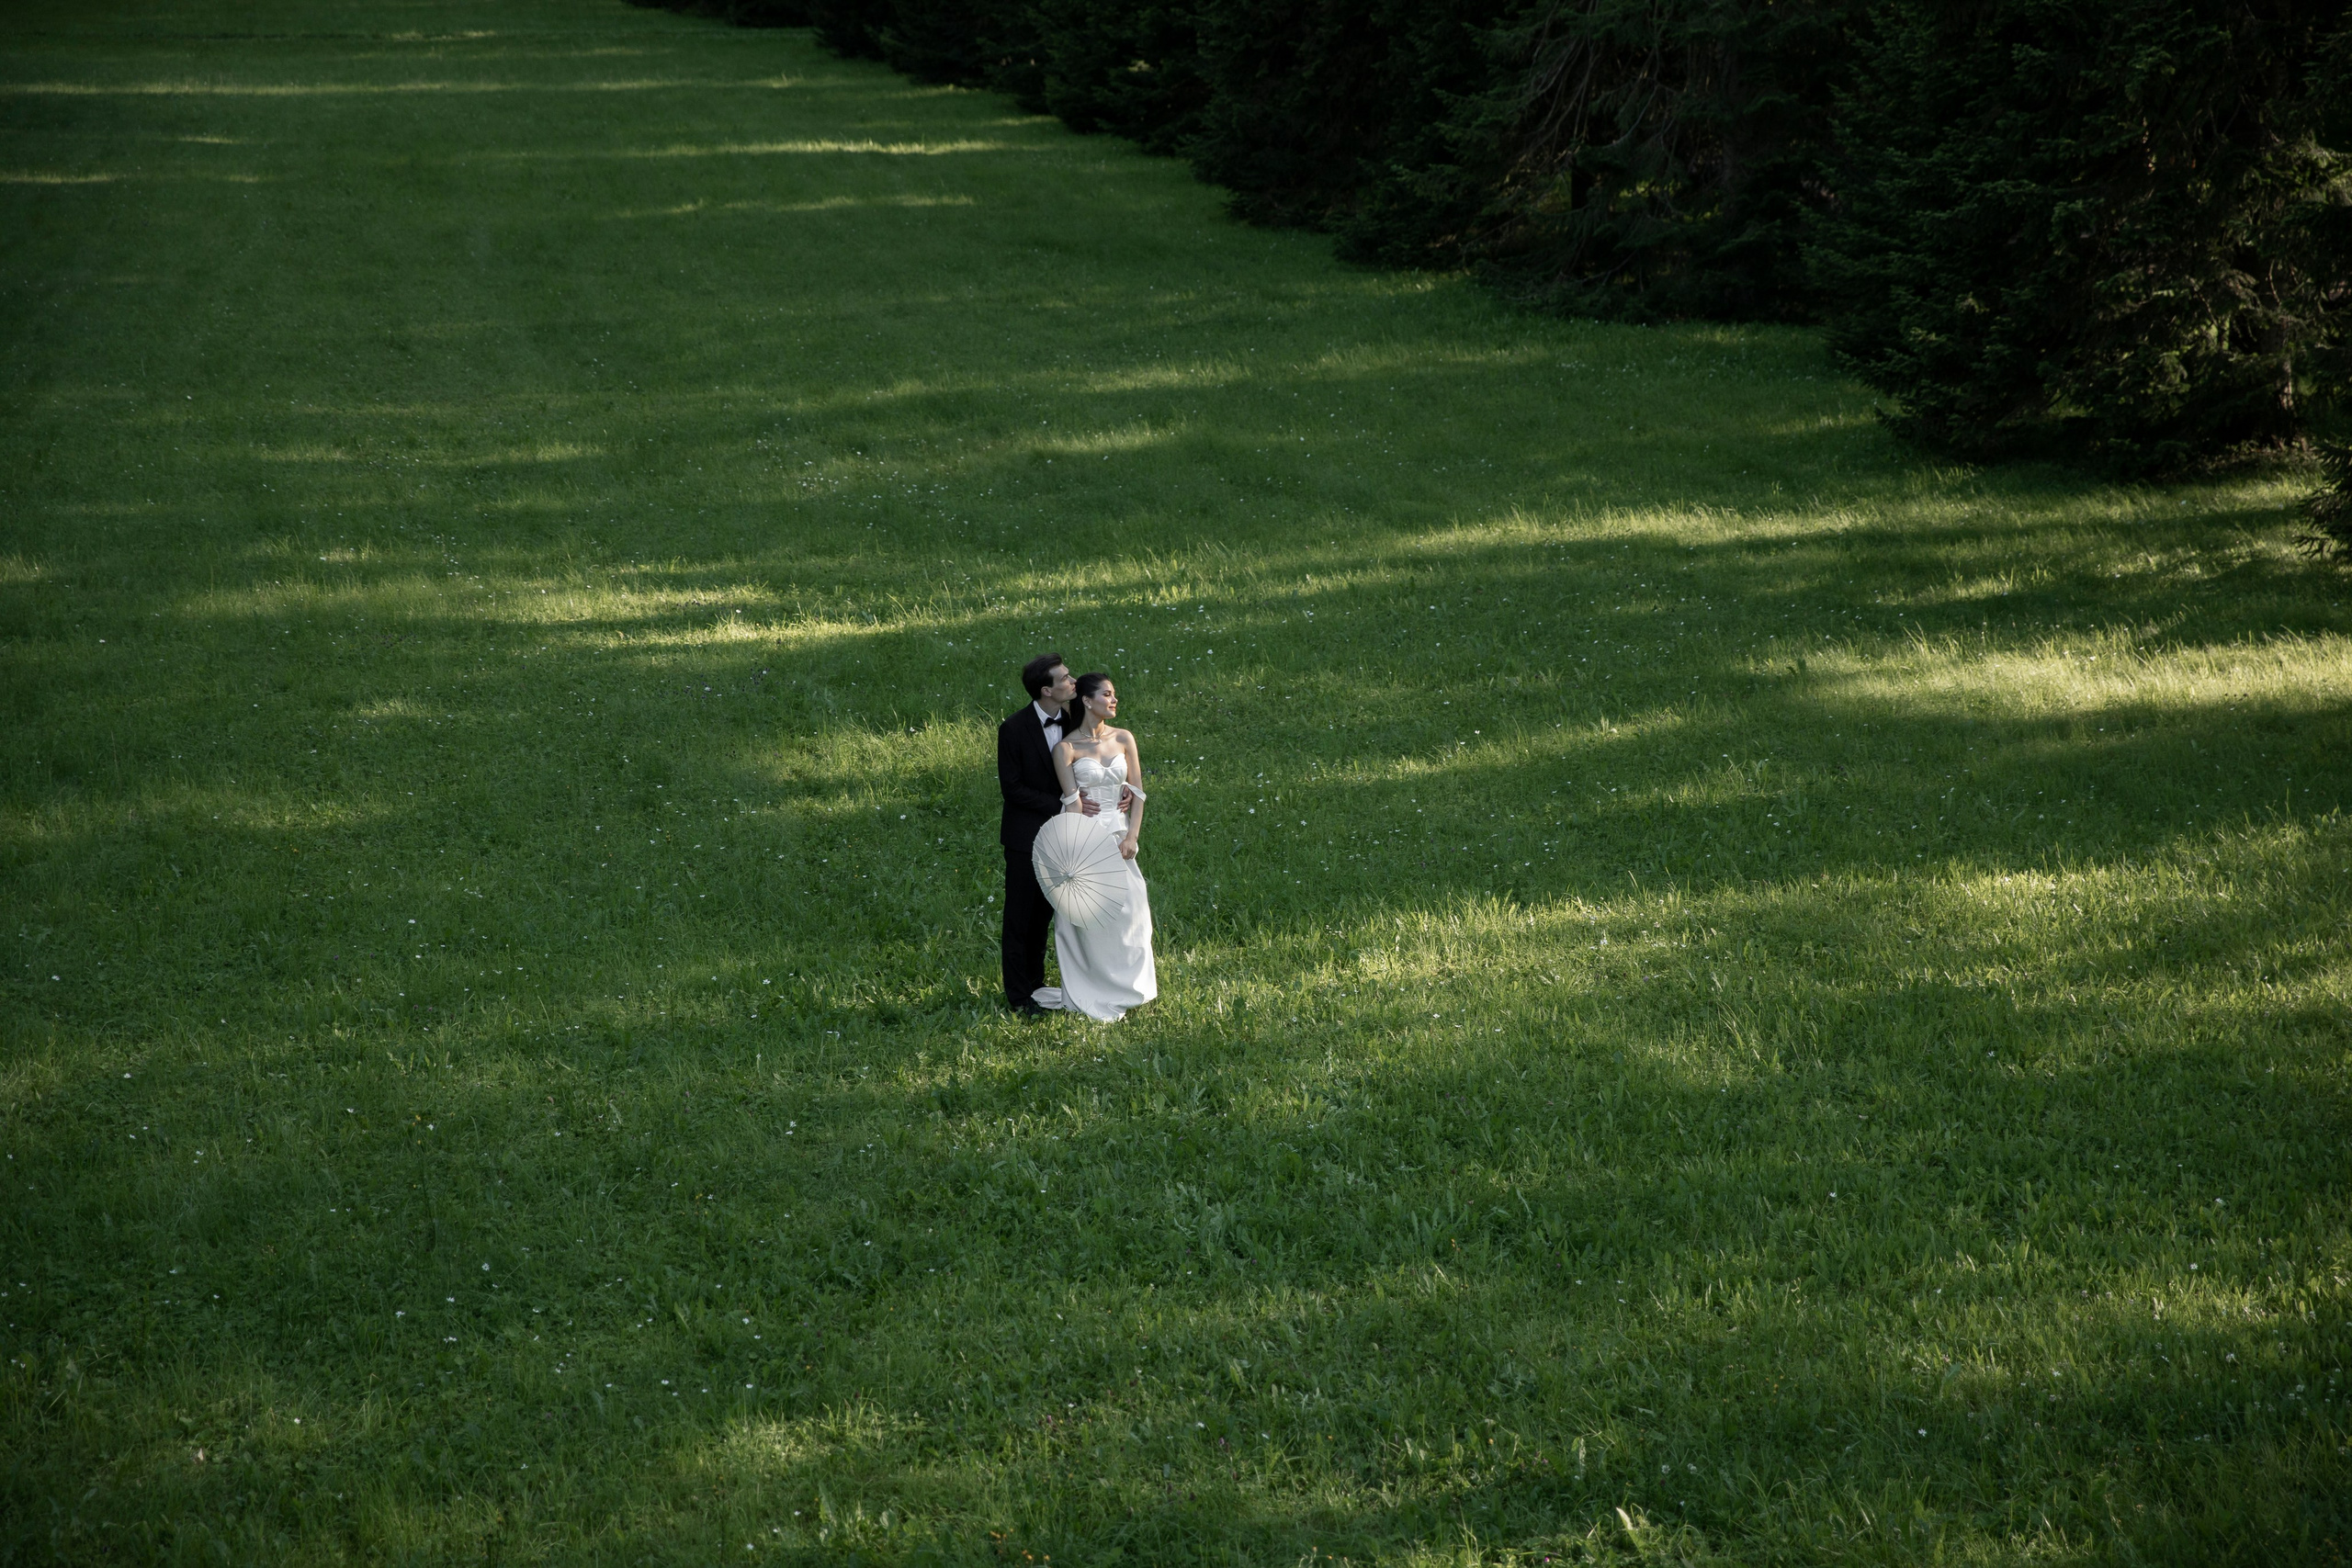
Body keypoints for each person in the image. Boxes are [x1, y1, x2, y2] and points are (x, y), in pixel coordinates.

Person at [1035, 672, 1157, 1021]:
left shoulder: (1124, 738)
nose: (1114, 700)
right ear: (1087, 701)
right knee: (1086, 919)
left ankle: (1128, 987)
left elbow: (1137, 793)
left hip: (1119, 837)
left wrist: (1132, 836)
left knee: (1132, 912)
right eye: (1107, 694)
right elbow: (1072, 805)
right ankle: (1092, 986)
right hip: (1087, 841)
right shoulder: (1066, 749)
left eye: (1114, 694)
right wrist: (1074, 853)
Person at [998, 653, 1091, 1014]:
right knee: (1021, 917)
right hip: (1026, 838)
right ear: (1046, 690)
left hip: (1068, 836)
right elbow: (1013, 789)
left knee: (1045, 916)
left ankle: (1036, 986)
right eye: (1065, 679)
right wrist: (1063, 802)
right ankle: (1019, 998)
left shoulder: (1075, 720)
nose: (1073, 682)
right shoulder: (1013, 729)